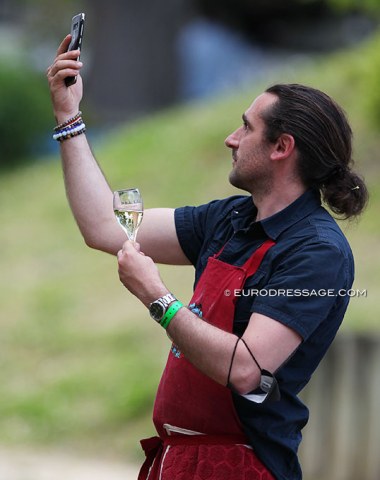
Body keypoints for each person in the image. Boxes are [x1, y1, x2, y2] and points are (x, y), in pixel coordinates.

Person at [47, 36, 368, 480]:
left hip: (240, 465)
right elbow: (106, 227)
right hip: (178, 459)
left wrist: (156, 296)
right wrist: (69, 117)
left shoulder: (316, 251)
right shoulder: (229, 217)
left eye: (247, 128)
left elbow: (246, 369)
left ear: (282, 147)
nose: (230, 139)